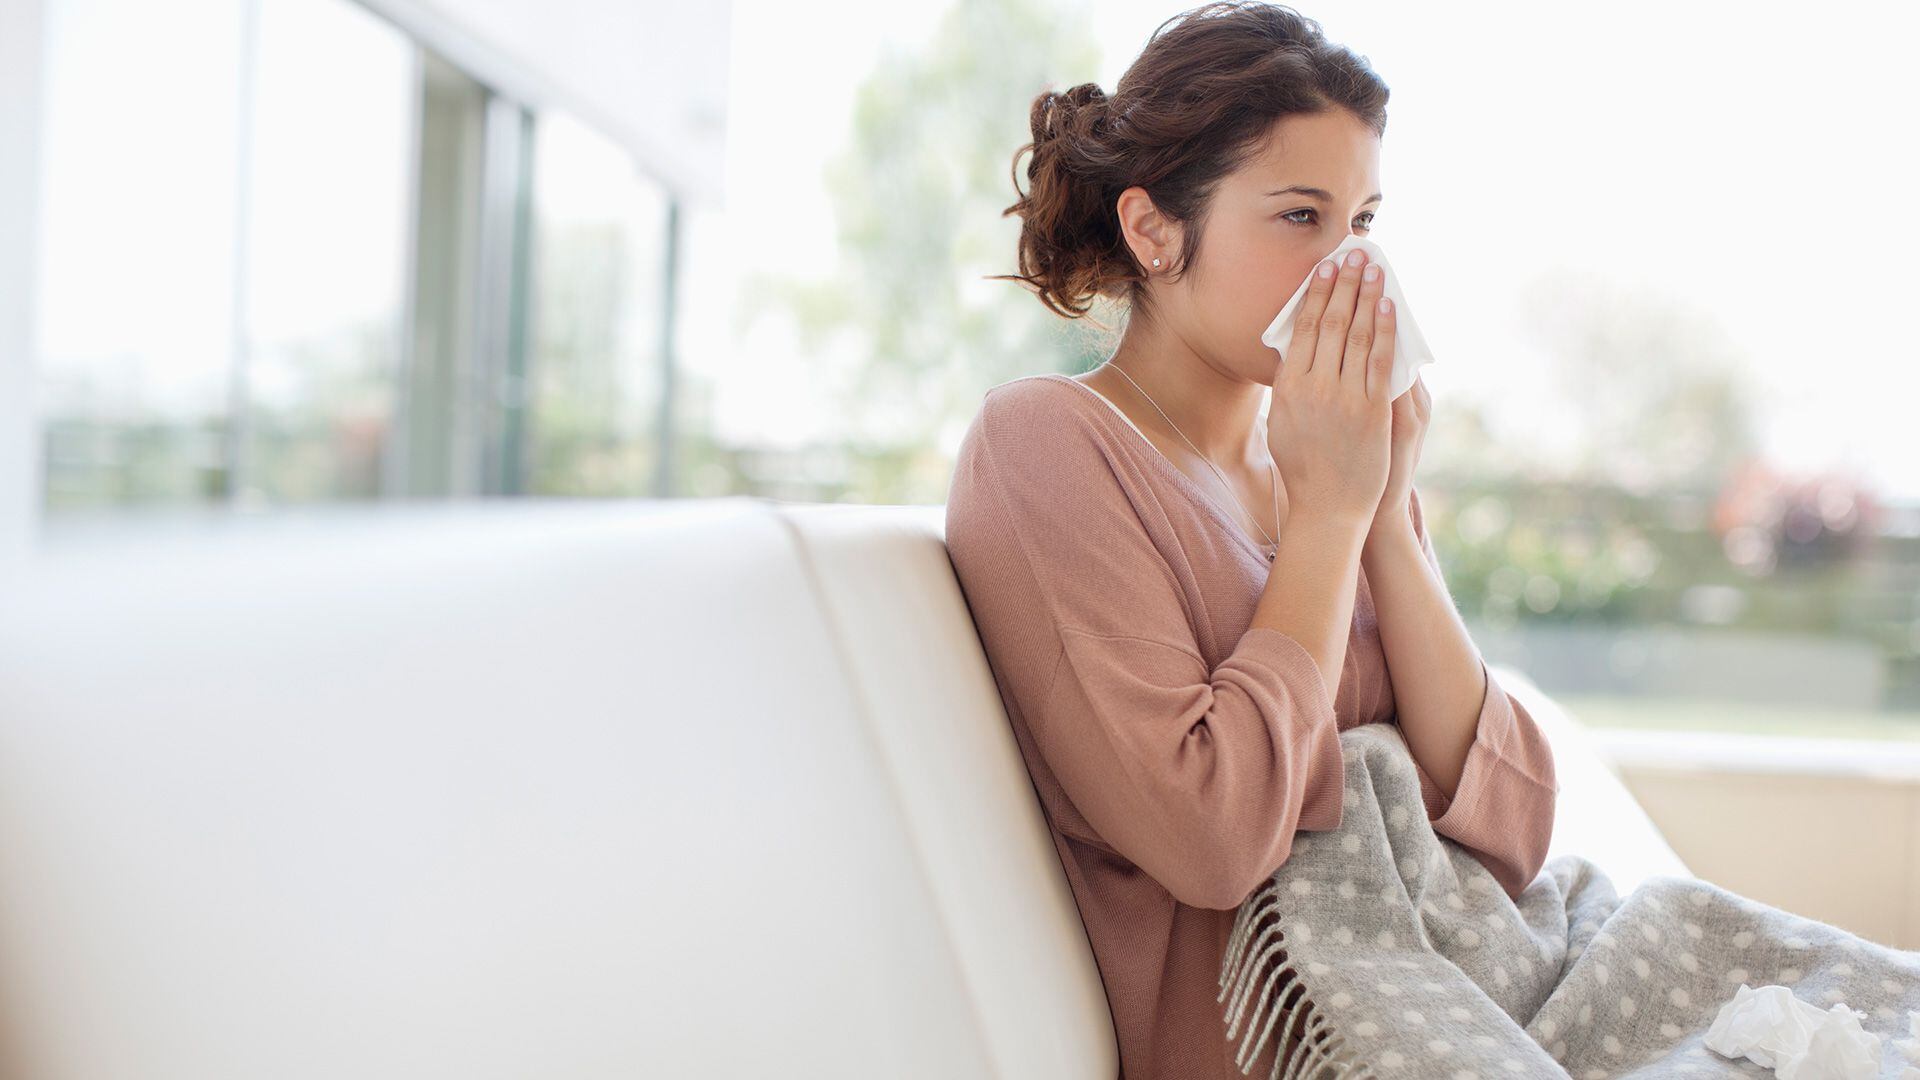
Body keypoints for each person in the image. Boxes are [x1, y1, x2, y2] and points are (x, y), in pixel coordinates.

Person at [943, 4, 1560, 1077]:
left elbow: (1514, 828)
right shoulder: (1047, 443)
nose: (1349, 272)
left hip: (1485, 983)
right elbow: (1214, 839)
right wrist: (1330, 518)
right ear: (1154, 231)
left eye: (1361, 224)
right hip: (1306, 1039)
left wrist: (1385, 524)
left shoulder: (1325, 464)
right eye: (1299, 217)